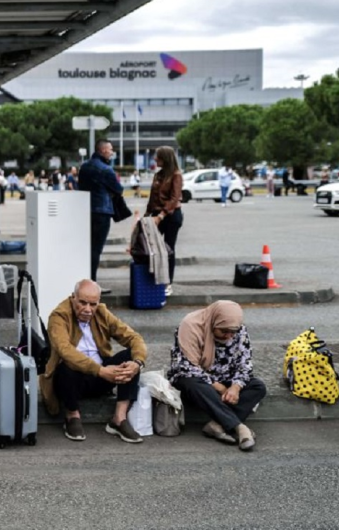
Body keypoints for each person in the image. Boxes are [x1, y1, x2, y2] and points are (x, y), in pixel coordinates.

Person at [43, 279, 148, 443]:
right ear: (73, 298)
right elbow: (65, 350)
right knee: (65, 367)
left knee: (130, 358)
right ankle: (72, 415)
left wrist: (138, 362)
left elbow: (134, 338)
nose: (87, 309)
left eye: (92, 304)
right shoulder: (59, 316)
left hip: (101, 377)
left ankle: (119, 419)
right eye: (82, 303)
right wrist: (101, 370)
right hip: (72, 381)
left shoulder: (101, 313)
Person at [168, 301, 265, 451]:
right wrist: (218, 387)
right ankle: (239, 427)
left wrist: (235, 388)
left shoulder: (238, 330)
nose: (229, 336)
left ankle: (216, 425)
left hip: (226, 378)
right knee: (193, 384)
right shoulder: (191, 325)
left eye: (233, 332)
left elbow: (245, 364)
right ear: (213, 323)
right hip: (195, 377)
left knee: (258, 386)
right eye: (224, 331)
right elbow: (186, 366)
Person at [78, 140, 123, 289]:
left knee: (86, 248)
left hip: (84, 211)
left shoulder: (84, 167)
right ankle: (92, 284)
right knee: (96, 249)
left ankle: (84, 282)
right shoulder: (106, 169)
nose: (112, 152)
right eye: (110, 149)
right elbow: (118, 189)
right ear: (103, 150)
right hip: (102, 212)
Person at [144, 146, 183, 297]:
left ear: (165, 158)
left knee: (168, 249)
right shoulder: (158, 175)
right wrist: (147, 215)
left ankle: (168, 283)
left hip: (171, 216)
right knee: (151, 247)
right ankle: (154, 279)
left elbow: (174, 199)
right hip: (155, 215)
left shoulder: (176, 175)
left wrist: (161, 215)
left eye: (158, 157)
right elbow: (152, 197)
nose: (155, 159)